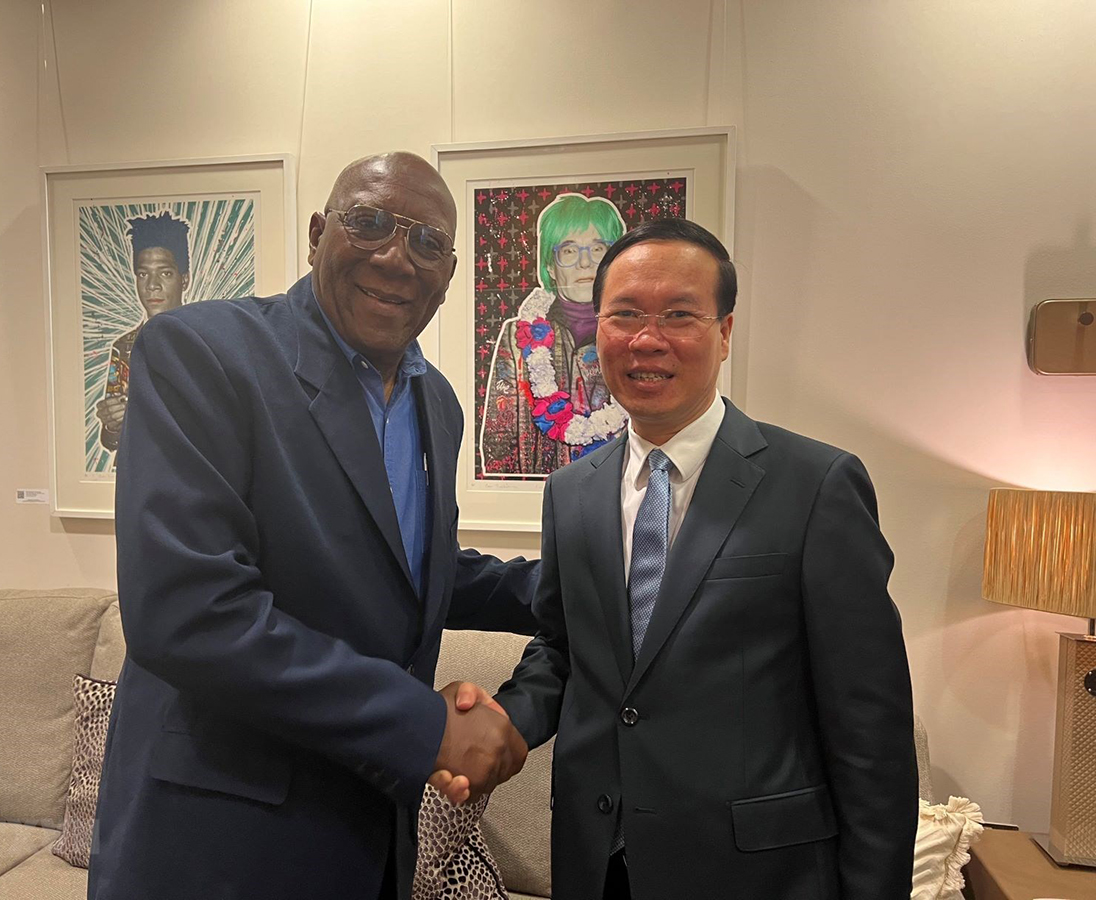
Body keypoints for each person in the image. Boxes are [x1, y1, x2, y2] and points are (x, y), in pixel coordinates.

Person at [88, 152, 537, 900]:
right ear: (317, 233)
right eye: (370, 222)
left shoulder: (439, 405)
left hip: (367, 838)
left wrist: (572, 589)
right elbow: (189, 613)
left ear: (449, 274)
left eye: (428, 242)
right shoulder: (201, 352)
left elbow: (409, 569)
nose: (396, 257)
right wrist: (425, 726)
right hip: (218, 848)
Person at [450, 218, 918, 898]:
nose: (647, 340)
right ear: (597, 327)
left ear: (724, 332)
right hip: (598, 863)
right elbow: (564, 646)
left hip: (758, 873)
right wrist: (508, 721)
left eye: (678, 315)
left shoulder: (816, 485)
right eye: (625, 315)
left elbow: (870, 727)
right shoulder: (573, 491)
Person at [479, 193, 627, 477]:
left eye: (598, 249)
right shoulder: (518, 336)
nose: (585, 263)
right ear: (550, 267)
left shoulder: (635, 336)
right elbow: (500, 439)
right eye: (569, 251)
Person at [95, 211, 191, 453]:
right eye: (143, 274)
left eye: (165, 273)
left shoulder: (206, 343)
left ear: (184, 280)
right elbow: (109, 442)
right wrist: (113, 423)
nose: (152, 285)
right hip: (140, 467)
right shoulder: (123, 347)